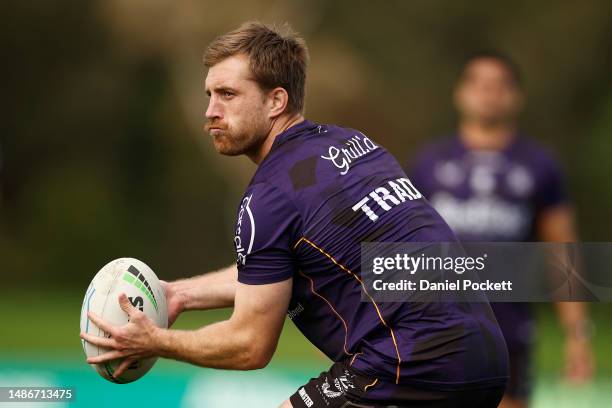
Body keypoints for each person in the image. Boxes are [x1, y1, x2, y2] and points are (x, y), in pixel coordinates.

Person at [81, 22, 509, 407]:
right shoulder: (353, 144)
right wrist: (180, 296)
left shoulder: (269, 196)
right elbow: (281, 269)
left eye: (228, 94)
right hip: (483, 358)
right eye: (209, 95)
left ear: (275, 101)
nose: (210, 111)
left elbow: (250, 345)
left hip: (410, 364)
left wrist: (154, 341)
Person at [408, 51, 594, 408]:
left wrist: (578, 334)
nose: (487, 93)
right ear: (459, 93)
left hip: (507, 329)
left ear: (515, 96)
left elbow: (562, 250)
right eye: (477, 84)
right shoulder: (428, 162)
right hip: (436, 326)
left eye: (498, 86)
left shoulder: (541, 165)